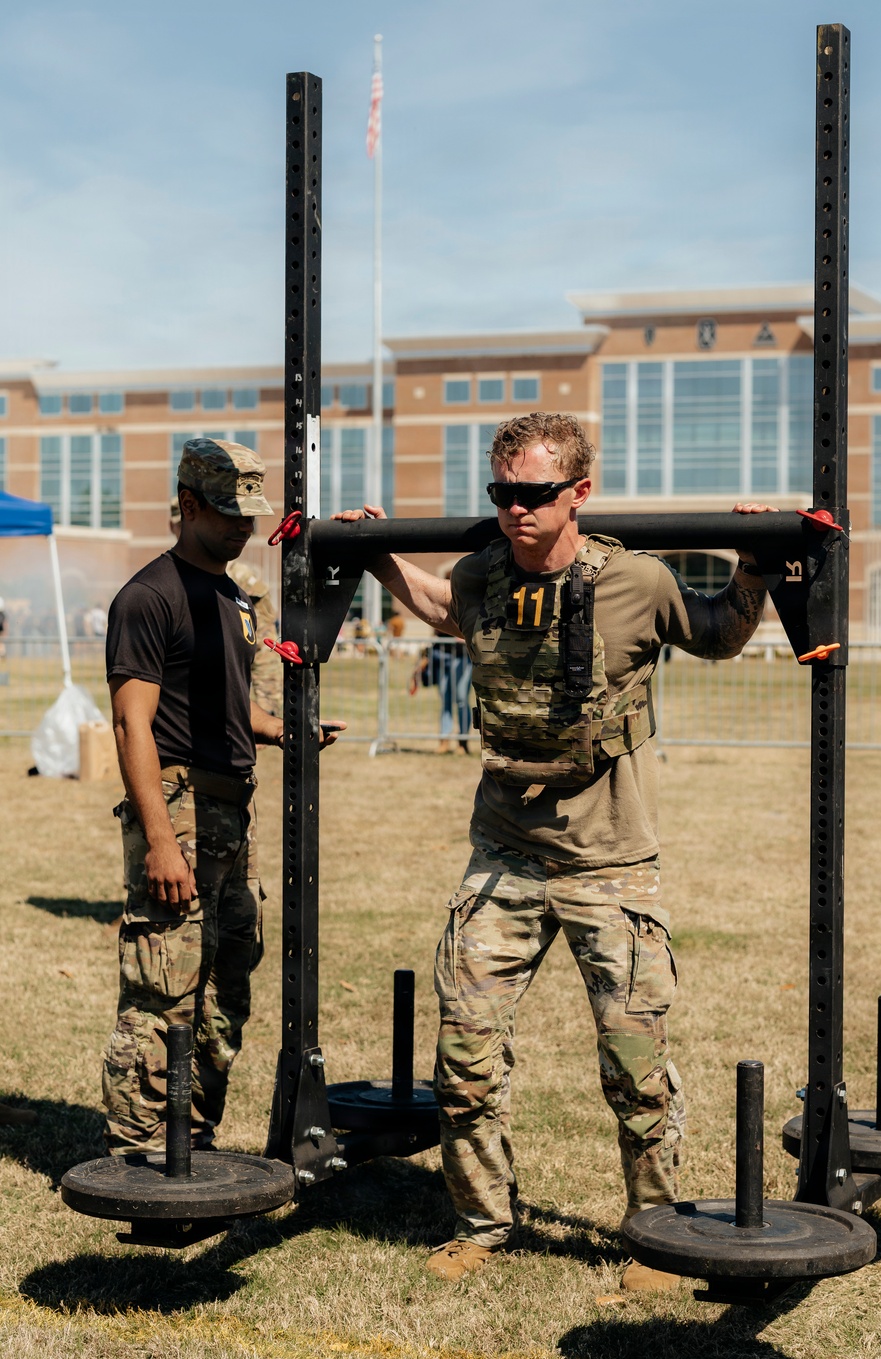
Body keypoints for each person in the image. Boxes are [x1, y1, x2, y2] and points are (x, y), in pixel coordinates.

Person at [334, 412, 773, 1289]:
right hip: (503, 854)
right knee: (463, 1051)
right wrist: (377, 552)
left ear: (578, 492)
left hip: (611, 861)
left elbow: (722, 633)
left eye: (533, 494)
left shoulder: (636, 580)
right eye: (500, 493)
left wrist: (755, 557)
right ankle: (482, 1224)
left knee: (633, 1062)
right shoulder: (485, 573)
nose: (513, 511)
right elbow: (439, 608)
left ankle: (653, 1233)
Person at [104, 438, 342, 1155]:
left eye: (251, 513)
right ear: (187, 505)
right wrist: (160, 840)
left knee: (229, 970)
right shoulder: (148, 597)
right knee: (165, 980)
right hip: (176, 805)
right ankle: (142, 1142)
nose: (244, 527)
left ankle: (193, 1128)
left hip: (230, 810)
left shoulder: (232, 595)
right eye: (230, 513)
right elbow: (131, 723)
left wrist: (283, 730)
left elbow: (224, 704)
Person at [169, 497, 283, 716]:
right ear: (172, 526)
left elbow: (264, 648)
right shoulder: (163, 579)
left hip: (233, 711)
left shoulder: (245, 583)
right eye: (180, 524)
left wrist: (267, 712)